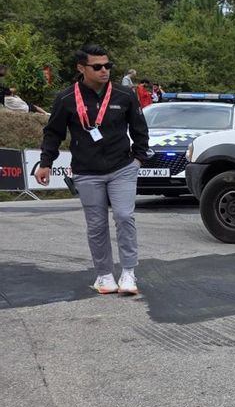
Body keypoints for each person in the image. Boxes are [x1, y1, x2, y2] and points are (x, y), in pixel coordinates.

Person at [36, 44, 151, 295]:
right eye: (97, 67)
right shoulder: (66, 98)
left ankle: (129, 272)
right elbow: (53, 133)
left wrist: (138, 160)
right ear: (81, 68)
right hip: (86, 171)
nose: (104, 71)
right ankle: (104, 275)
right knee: (97, 225)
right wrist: (45, 163)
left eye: (107, 66)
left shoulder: (124, 95)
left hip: (122, 168)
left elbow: (140, 130)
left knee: (124, 217)